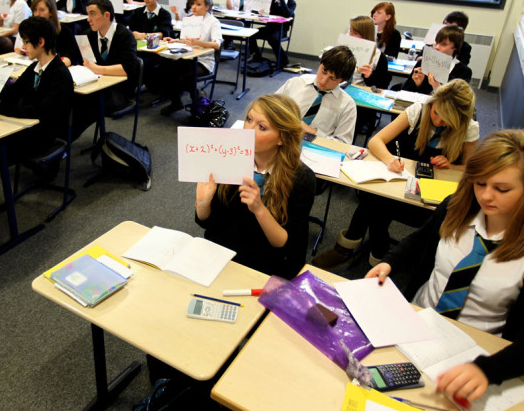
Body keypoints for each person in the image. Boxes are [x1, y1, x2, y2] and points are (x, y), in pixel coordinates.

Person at [366, 129, 524, 405]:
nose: (486, 196)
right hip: (418, 323)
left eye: (502, 189)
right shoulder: (457, 205)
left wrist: (487, 370)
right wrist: (390, 262)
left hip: (478, 347)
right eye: (479, 183)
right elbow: (421, 239)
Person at [313, 80, 478, 269]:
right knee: (375, 198)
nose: (438, 121)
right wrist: (389, 159)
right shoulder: (419, 111)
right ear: (433, 103)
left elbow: (471, 169)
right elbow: (376, 141)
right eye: (436, 113)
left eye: (447, 120)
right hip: (401, 182)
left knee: (374, 203)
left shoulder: (469, 129)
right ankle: (377, 253)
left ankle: (352, 247)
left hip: (430, 198)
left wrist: (451, 166)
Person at [195, 94, 316, 279]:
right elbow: (209, 224)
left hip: (265, 266)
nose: (248, 130)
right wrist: (203, 203)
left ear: (281, 138)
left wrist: (259, 209)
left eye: (261, 127)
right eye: (249, 119)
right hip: (222, 258)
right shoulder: (228, 158)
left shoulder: (301, 178)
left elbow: (287, 244)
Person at [0, 17, 74, 200]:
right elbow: (11, 92)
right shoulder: (35, 68)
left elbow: (43, 111)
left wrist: (3, 109)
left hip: (42, 136)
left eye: (27, 42)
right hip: (25, 127)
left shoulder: (59, 74)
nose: (23, 46)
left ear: (41, 42)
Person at [78, 0, 139, 133]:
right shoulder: (88, 35)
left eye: (93, 14)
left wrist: (97, 69)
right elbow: (75, 55)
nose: (88, 19)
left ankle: (65, 141)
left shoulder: (125, 35)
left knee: (85, 104)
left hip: (119, 91)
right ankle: (63, 140)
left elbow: (128, 68)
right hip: (97, 86)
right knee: (74, 99)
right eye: (88, 14)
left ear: (107, 15)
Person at [275, 45, 357, 144]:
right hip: (280, 141)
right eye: (324, 71)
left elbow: (343, 144)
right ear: (320, 64)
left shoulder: (347, 105)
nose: (324, 80)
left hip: (313, 152)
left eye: (333, 78)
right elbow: (269, 109)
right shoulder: (296, 83)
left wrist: (313, 132)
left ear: (342, 81)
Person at [160, 0, 222, 116]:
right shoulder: (189, 19)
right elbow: (185, 40)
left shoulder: (213, 22)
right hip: (187, 57)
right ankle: (177, 102)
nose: (194, 7)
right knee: (167, 69)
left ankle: (198, 101)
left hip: (203, 61)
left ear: (207, 7)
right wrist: (175, 40)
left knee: (184, 76)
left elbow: (216, 44)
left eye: (198, 4)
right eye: (193, 4)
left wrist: (198, 43)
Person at [127, 0, 173, 94]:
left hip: (155, 51)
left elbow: (163, 33)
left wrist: (145, 35)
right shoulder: (138, 12)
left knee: (140, 63)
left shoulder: (164, 14)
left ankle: (132, 89)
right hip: (139, 48)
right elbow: (130, 30)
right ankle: (126, 90)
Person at [402, 25, 472, 95]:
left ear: (455, 47)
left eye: (443, 44)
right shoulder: (423, 63)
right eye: (437, 42)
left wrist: (437, 88)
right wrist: (418, 84)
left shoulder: (464, 72)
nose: (437, 47)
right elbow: (405, 91)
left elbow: (456, 101)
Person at [20, 0, 81, 67]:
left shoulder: (64, 31)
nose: (37, 14)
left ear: (51, 11)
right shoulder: (30, 31)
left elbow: (72, 56)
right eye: (35, 10)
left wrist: (66, 60)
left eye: (42, 10)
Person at [248, 0, 296, 68]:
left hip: (281, 29)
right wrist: (259, 11)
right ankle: (257, 56)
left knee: (272, 38)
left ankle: (283, 61)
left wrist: (281, 0)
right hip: (270, 27)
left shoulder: (291, 2)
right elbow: (256, 10)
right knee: (251, 34)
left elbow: (288, 14)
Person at [348, 14, 389, 89]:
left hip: (362, 92)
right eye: (350, 31)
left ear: (365, 35)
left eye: (355, 33)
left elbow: (382, 87)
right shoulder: (344, 50)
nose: (350, 35)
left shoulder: (379, 57)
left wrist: (369, 76)